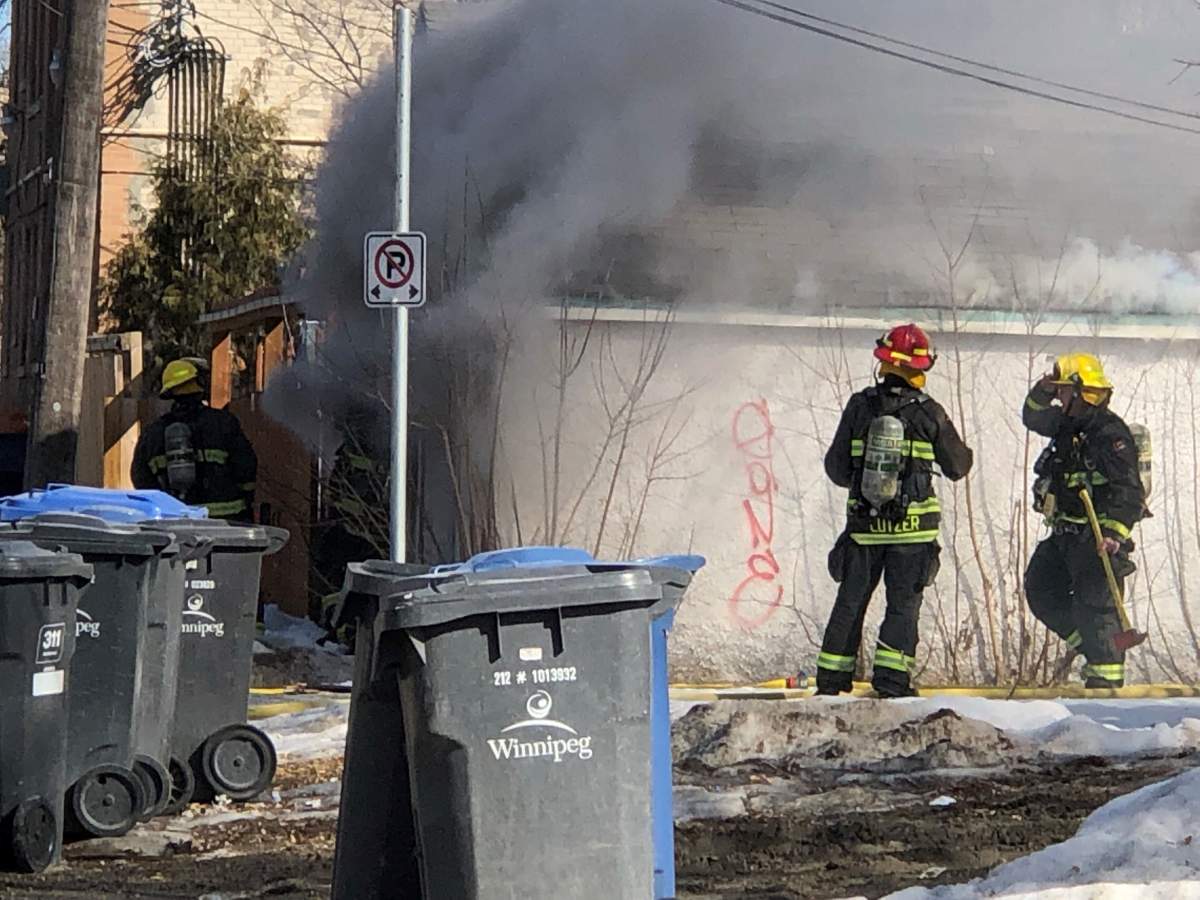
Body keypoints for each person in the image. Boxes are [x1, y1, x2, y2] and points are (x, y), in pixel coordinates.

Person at [817, 324, 973, 698]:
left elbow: (836, 469)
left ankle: (831, 681)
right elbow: (958, 466)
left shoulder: (859, 407)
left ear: (884, 364)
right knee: (902, 607)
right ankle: (891, 683)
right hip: (913, 533)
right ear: (920, 369)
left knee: (850, 602)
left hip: (864, 529)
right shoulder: (929, 413)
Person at [1022, 352, 1145, 688]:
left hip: (1096, 538)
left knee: (1097, 611)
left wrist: (1112, 533)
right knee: (1041, 590)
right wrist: (1043, 389)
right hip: (1065, 532)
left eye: (1063, 390)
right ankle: (1091, 649)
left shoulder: (1109, 434)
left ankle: (1105, 686)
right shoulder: (1068, 424)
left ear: (1080, 392)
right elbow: (1032, 417)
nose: (1059, 397)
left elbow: (1130, 491)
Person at [132, 358, 258, 522]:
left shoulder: (153, 433)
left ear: (169, 392)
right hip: (228, 521)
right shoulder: (223, 423)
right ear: (198, 386)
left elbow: (141, 478)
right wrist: (247, 497)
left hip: (179, 523)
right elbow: (246, 466)